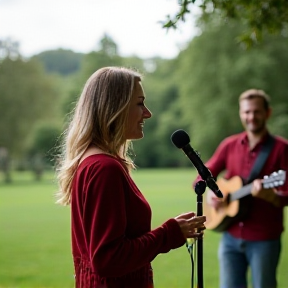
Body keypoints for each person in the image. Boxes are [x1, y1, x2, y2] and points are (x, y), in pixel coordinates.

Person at [56, 66, 206, 288]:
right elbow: (107, 259)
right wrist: (169, 233)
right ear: (115, 107)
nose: (147, 113)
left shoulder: (93, 162)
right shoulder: (104, 168)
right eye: (139, 103)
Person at [194, 89, 288, 288]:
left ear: (267, 113)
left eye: (256, 112)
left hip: (264, 237)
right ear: (240, 113)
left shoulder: (281, 149)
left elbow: (286, 195)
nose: (251, 116)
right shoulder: (230, 145)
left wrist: (269, 196)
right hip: (231, 236)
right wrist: (212, 192)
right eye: (247, 112)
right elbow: (201, 176)